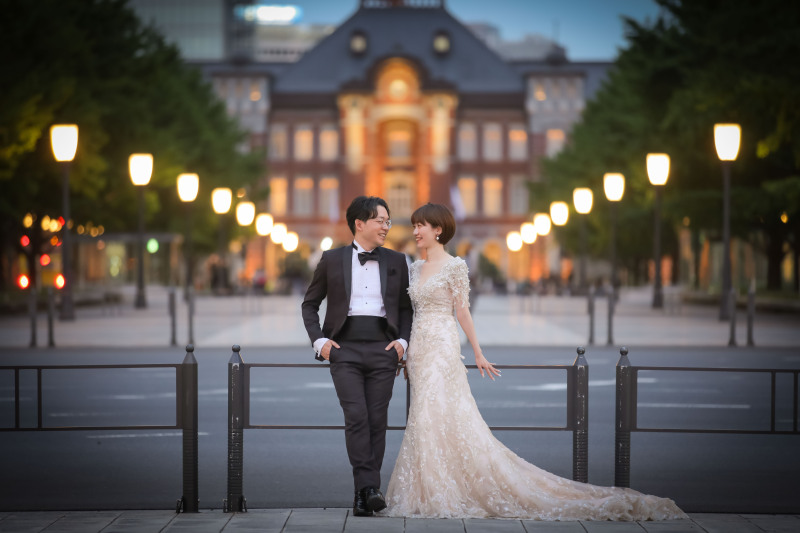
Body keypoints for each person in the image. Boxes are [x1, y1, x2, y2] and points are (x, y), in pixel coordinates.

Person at [383, 203, 687, 521]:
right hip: (419, 350)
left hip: (443, 349)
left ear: (439, 229)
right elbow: (410, 311)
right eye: (415, 225)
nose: (415, 231)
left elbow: (462, 311)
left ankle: (441, 491)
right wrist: (407, 349)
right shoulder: (414, 268)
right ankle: (428, 488)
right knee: (425, 418)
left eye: (421, 226)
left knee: (437, 417)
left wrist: (478, 352)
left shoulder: (455, 266)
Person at [301, 196, 413, 517]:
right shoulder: (332, 259)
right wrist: (319, 340)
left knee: (378, 421)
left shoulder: (396, 261)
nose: (386, 227)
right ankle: (370, 488)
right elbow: (309, 304)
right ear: (359, 223)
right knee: (357, 417)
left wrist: (403, 341)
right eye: (381, 220)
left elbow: (406, 309)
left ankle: (365, 492)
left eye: (388, 221)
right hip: (344, 349)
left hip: (384, 348)